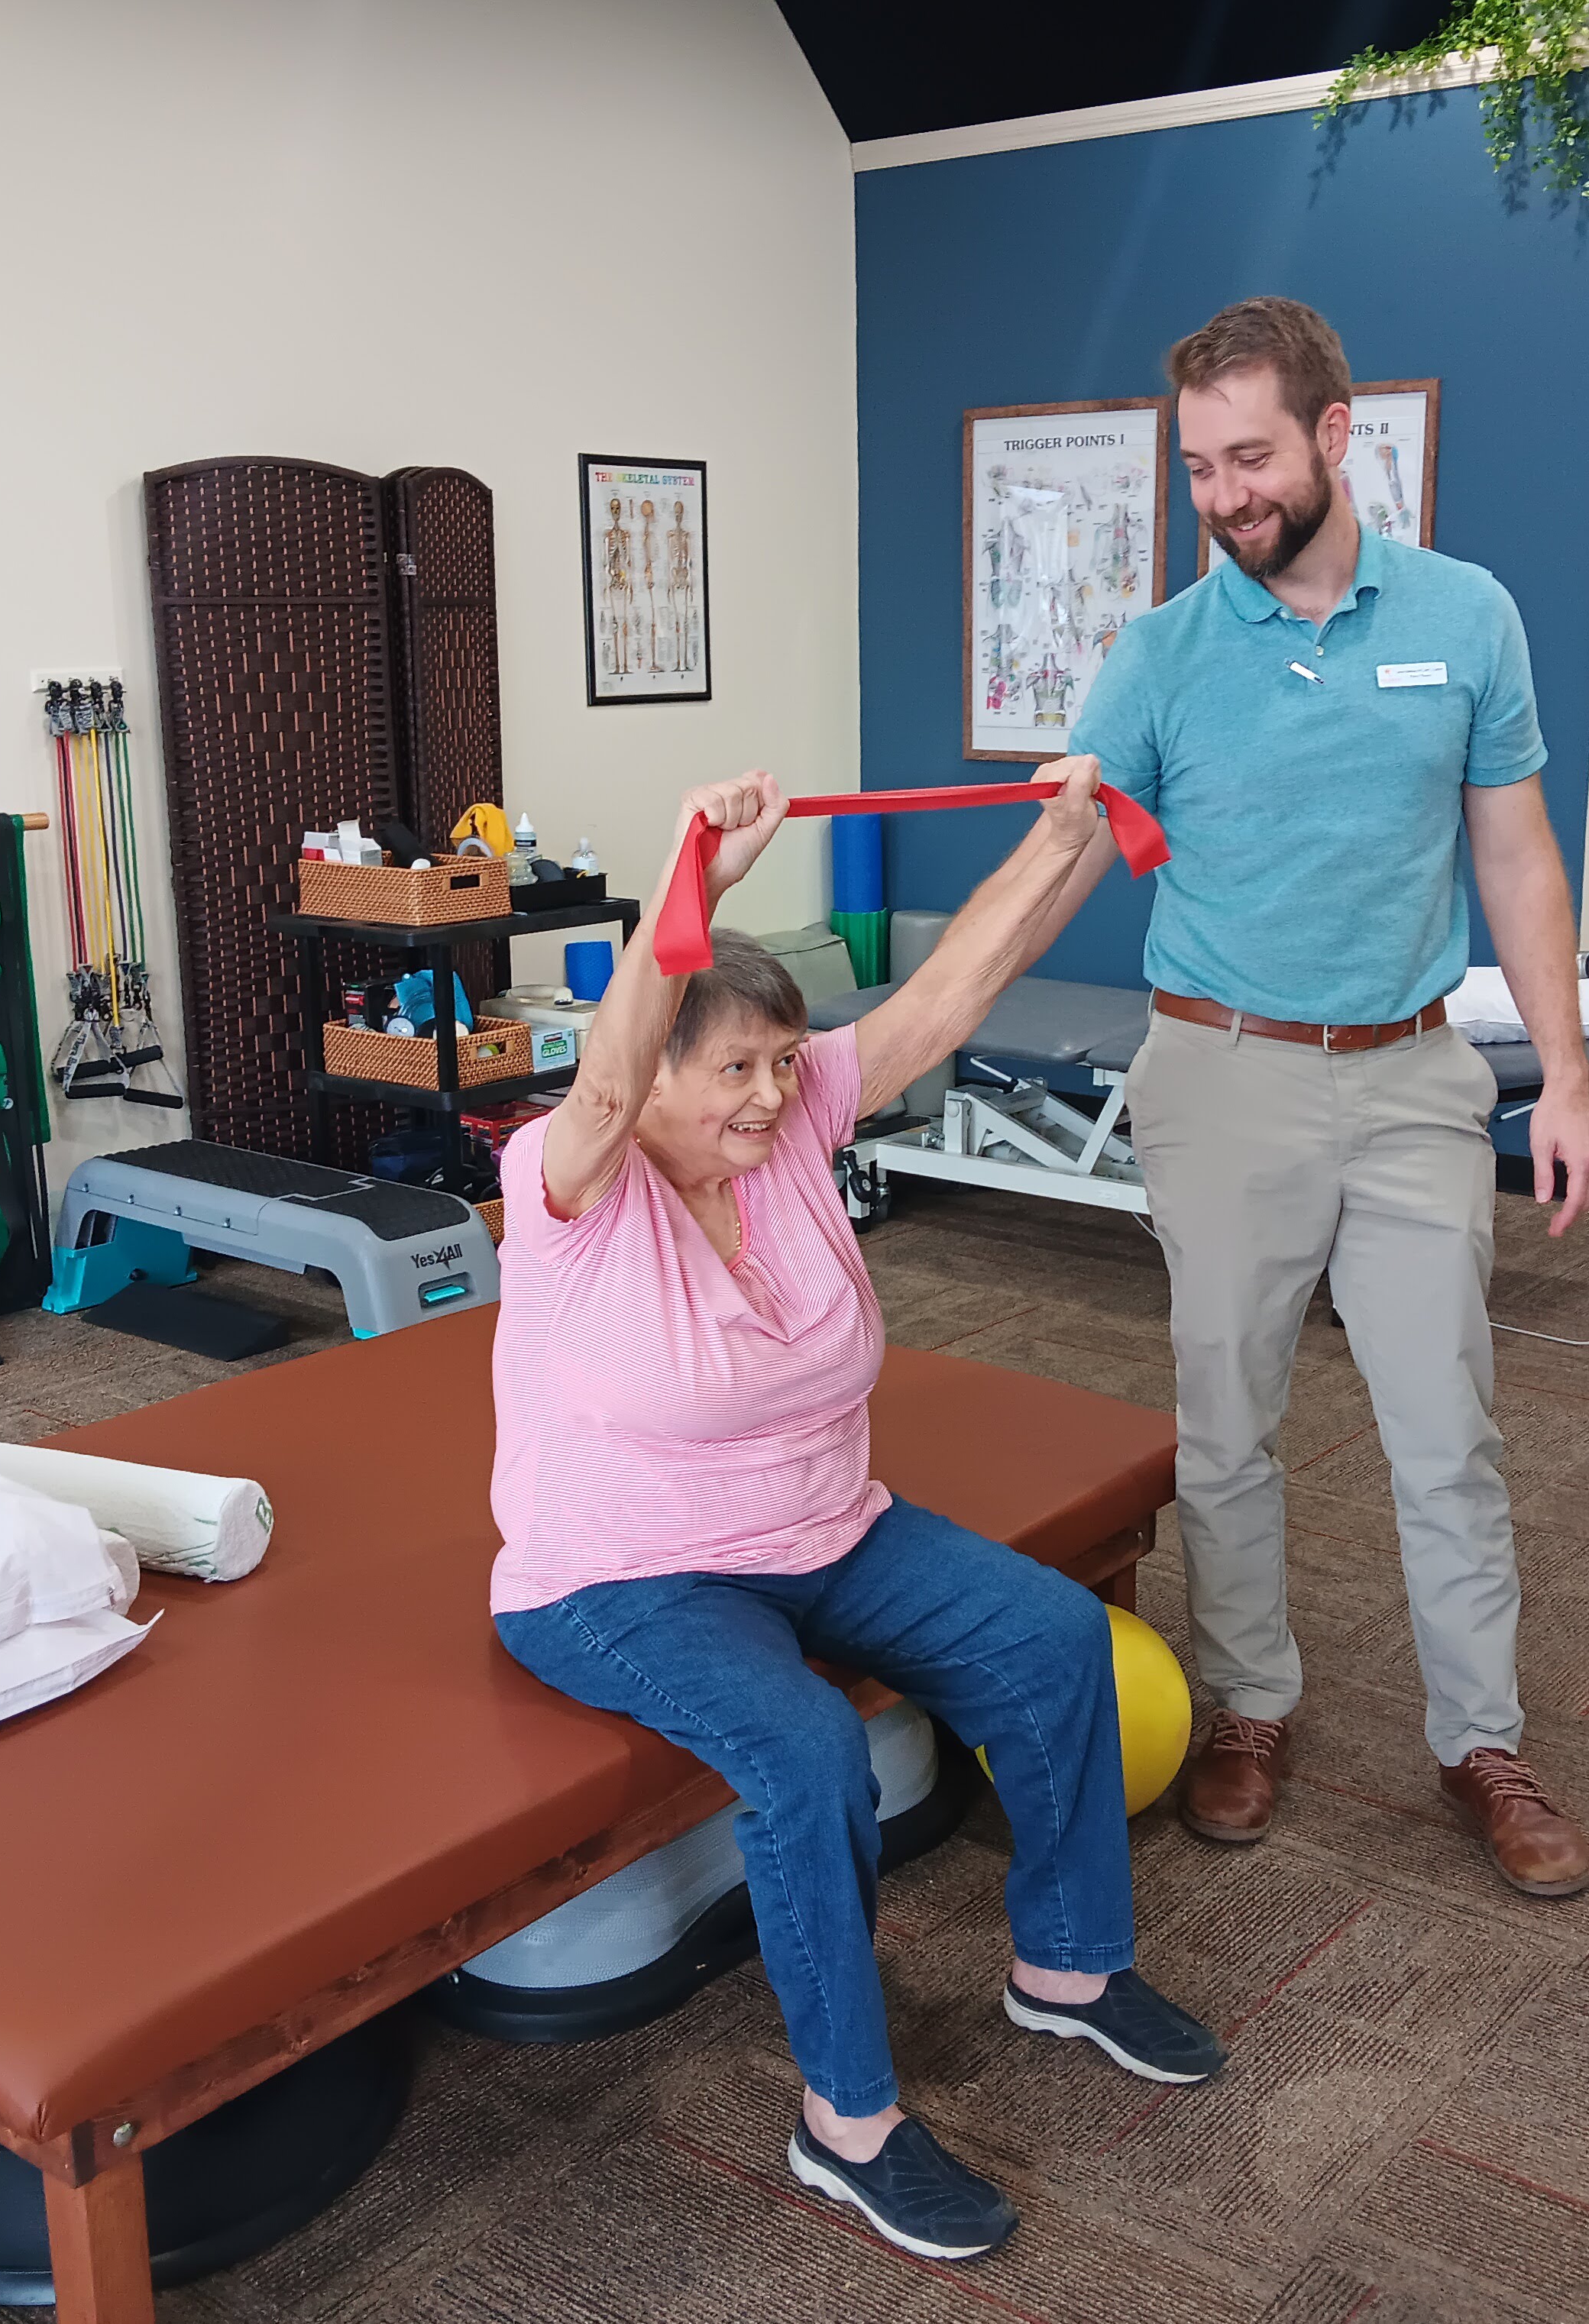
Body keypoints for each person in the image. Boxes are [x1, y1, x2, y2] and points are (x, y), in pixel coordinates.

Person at [487, 764, 1223, 2263]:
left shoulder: (801, 1120)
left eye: (782, 1063)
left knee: (1053, 1638)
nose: (771, 1093)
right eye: (735, 1071)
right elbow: (617, 1074)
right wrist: (699, 869)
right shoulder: (574, 1183)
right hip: (623, 1578)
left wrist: (1068, 833)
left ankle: (1069, 1969)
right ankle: (849, 2124)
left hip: (827, 1527)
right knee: (809, 1752)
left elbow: (955, 990)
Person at [1066, 296, 1589, 1895]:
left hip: (1414, 1074)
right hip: (1220, 1073)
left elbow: (1513, 850)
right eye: (1198, 468)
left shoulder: (1468, 616)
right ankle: (1249, 1706)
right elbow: (1067, 850)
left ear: (1332, 433)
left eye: (1250, 456)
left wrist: (1563, 1077)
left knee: (1447, 1431)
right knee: (1225, 1424)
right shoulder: (1157, 654)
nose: (1225, 495)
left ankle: (1482, 1742)